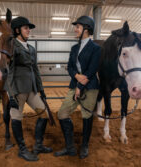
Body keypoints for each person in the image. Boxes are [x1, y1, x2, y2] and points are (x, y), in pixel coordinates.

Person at [5, 16, 52, 161]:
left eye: (29, 28)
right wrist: (11, 95)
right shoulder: (12, 46)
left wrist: (41, 88)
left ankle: (38, 145)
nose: (29, 31)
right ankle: (22, 150)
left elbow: (35, 70)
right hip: (17, 90)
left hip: (31, 89)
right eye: (26, 28)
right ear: (17, 30)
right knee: (16, 118)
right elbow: (8, 71)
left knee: (44, 114)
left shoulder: (31, 48)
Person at [54, 16, 101, 159]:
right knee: (62, 113)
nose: (75, 29)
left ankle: (84, 145)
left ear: (86, 29)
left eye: (78, 27)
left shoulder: (96, 49)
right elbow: (70, 67)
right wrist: (76, 77)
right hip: (75, 84)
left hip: (90, 87)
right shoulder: (74, 48)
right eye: (76, 27)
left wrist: (80, 85)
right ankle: (70, 147)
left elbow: (92, 70)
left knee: (87, 116)